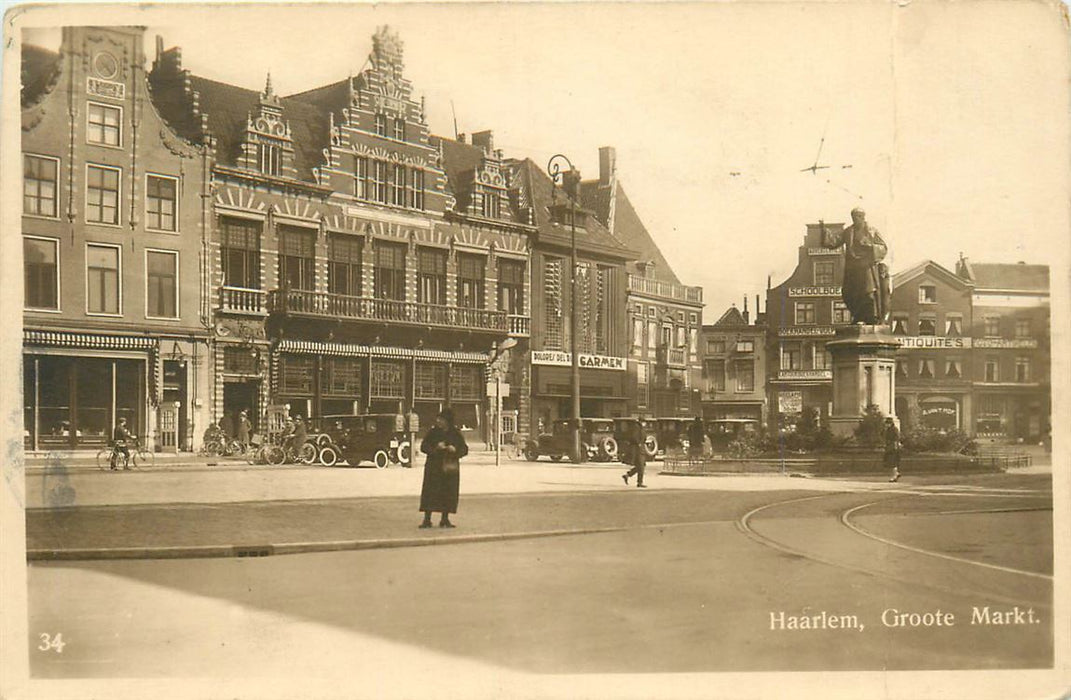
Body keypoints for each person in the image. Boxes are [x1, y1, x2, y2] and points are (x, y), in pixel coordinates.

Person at [820, 208, 890, 325]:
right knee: (850, 293)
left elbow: (883, 247)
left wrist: (870, 247)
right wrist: (824, 231)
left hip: (866, 267)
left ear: (863, 217)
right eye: (853, 217)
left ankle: (870, 318)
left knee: (867, 293)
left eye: (857, 216)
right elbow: (834, 242)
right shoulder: (848, 231)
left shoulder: (872, 232)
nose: (855, 219)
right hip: (852, 269)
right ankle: (857, 316)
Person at [419, 408, 469, 528]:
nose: (438, 421)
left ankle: (445, 519)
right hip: (434, 468)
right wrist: (436, 448)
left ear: (448, 421)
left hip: (449, 468)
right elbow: (423, 446)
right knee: (430, 492)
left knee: (448, 493)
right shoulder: (433, 432)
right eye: (438, 419)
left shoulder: (455, 433)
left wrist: (455, 450)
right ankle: (427, 519)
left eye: (441, 419)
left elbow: (464, 449)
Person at [622, 418, 648, 488]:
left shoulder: (641, 428)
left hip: (640, 448)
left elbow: (644, 437)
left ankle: (628, 475)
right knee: (641, 466)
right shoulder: (637, 427)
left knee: (640, 466)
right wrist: (638, 443)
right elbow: (634, 436)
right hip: (637, 449)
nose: (645, 424)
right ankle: (640, 483)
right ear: (641, 422)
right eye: (644, 422)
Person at [884, 417, 901, 482]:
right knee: (891, 462)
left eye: (888, 423)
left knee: (892, 462)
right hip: (890, 447)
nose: (886, 425)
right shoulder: (889, 429)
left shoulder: (894, 430)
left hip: (893, 447)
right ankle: (896, 474)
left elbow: (896, 438)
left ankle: (894, 476)